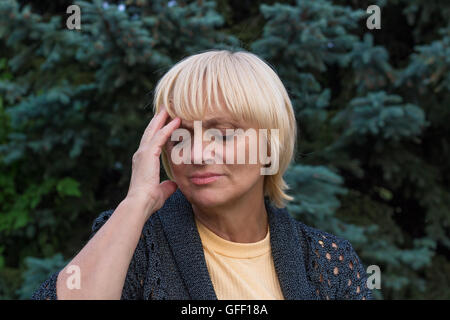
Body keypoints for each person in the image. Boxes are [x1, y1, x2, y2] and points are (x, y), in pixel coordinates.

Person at [32, 50, 372, 300]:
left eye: (223, 134)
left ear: (270, 145)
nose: (195, 155)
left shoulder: (330, 262)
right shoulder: (135, 243)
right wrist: (137, 202)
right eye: (180, 136)